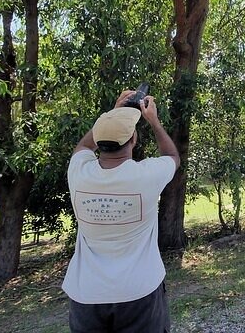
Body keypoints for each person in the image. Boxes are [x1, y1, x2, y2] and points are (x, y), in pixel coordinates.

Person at [62, 90, 180, 333]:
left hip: (86, 295)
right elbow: (171, 156)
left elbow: (84, 145)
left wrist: (113, 116)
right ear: (133, 140)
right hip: (139, 292)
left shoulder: (78, 173)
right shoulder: (146, 176)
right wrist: (154, 122)